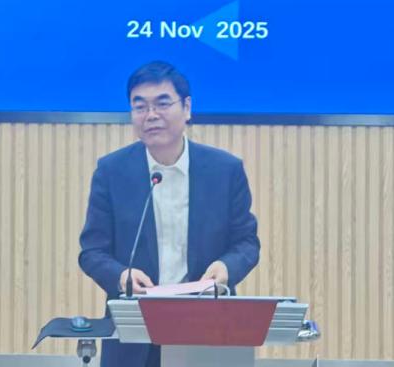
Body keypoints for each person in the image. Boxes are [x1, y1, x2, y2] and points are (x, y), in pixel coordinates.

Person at [78, 61, 261, 367]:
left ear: (187, 108)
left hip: (208, 324)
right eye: (140, 106)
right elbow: (92, 252)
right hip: (134, 332)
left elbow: (246, 243)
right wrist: (121, 275)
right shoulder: (111, 172)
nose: (151, 115)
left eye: (162, 103)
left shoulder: (225, 171)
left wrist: (226, 268)